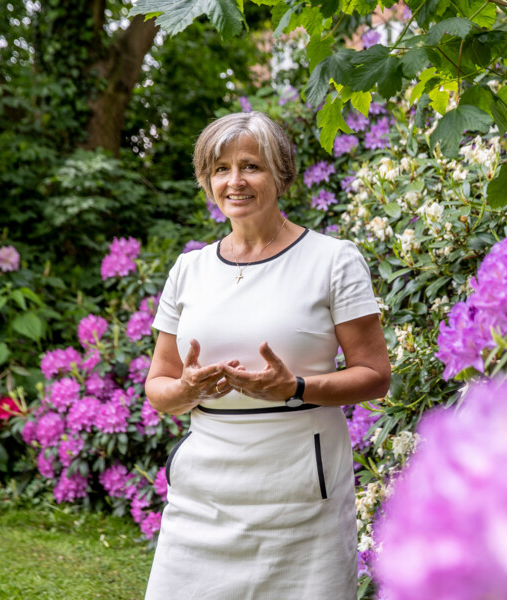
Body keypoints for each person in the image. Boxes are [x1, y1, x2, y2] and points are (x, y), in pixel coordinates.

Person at [143, 111, 391, 599]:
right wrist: (186, 390)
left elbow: (375, 375)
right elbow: (158, 388)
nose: (234, 181)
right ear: (206, 180)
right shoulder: (189, 270)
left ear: (281, 174)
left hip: (300, 495)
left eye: (251, 166)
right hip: (203, 495)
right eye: (220, 169)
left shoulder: (333, 260)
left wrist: (294, 387)